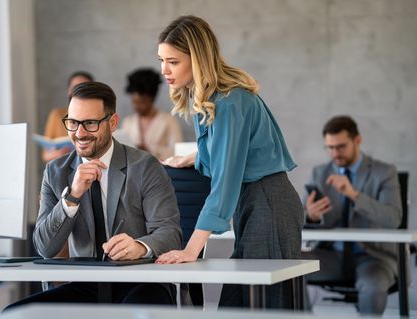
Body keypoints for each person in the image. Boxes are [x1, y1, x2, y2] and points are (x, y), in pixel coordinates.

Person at [156, 15, 303, 309]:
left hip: (268, 203)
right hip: (255, 203)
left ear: (197, 59)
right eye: (161, 60)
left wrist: (191, 249)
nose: (164, 70)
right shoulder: (212, 99)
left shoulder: (228, 101)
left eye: (173, 61)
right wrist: (199, 155)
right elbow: (236, 151)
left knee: (258, 306)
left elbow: (225, 181)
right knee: (242, 304)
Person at [6, 82, 182, 310]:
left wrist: (140, 246)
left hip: (140, 281)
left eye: (89, 123)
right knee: (14, 314)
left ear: (112, 123)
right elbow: (44, 247)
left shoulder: (145, 166)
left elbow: (170, 233)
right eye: (73, 123)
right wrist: (72, 196)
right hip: (86, 285)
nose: (79, 133)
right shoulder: (55, 172)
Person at [302, 115, 402, 315]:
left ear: (357, 141)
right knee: (287, 267)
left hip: (374, 257)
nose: (335, 154)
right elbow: (301, 217)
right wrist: (310, 216)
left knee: (373, 284)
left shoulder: (384, 172)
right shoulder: (320, 173)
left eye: (340, 147)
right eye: (330, 148)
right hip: (331, 255)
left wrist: (354, 194)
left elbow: (393, 218)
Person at [121, 68, 183, 160]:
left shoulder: (169, 120)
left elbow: (178, 151)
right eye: (135, 102)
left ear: (152, 98)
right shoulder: (128, 122)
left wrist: (150, 149)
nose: (138, 106)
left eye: (142, 102)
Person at [41, 71, 94, 163]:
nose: (79, 92)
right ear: (69, 91)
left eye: (84, 88)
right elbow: (45, 154)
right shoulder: (57, 115)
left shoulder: (98, 116)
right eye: (75, 87)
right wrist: (60, 153)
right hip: (63, 166)